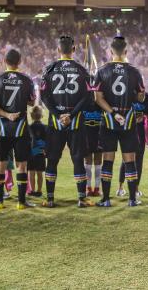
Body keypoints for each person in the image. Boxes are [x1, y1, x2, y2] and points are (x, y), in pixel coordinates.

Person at [40, 36, 94, 208]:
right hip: (76, 122)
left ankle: (49, 199)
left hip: (55, 123)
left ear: (58, 50)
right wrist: (71, 114)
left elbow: (44, 96)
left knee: (52, 160)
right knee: (78, 160)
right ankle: (81, 199)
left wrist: (58, 114)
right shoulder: (81, 69)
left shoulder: (49, 69)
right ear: (74, 49)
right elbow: (87, 97)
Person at [93, 35, 145, 207]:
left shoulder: (101, 71)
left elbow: (98, 99)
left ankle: (106, 199)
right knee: (130, 160)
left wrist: (113, 112)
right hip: (128, 120)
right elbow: (140, 96)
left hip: (108, 120)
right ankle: (131, 199)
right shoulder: (134, 71)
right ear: (126, 51)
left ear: (110, 51)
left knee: (108, 159)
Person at [0, 49, 36, 210]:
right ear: (19, 62)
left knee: (0, 165)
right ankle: (21, 202)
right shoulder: (27, 80)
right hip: (21, 129)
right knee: (22, 165)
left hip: (2, 129)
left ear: (4, 61)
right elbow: (32, 103)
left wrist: (6, 114)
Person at [117, 92, 148, 200]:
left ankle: (136, 189)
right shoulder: (128, 94)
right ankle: (120, 187)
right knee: (126, 159)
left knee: (138, 160)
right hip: (128, 130)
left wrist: (143, 115)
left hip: (141, 132)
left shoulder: (146, 97)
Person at [83, 100, 103, 196]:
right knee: (88, 163)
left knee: (98, 162)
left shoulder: (100, 103)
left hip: (99, 136)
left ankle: (97, 188)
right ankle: (88, 188)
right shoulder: (84, 103)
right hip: (86, 137)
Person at [28, 105, 46, 197]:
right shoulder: (45, 127)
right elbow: (48, 141)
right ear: (41, 115)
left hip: (31, 153)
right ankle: (39, 191)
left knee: (31, 172)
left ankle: (32, 190)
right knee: (39, 173)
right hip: (41, 153)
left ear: (31, 116)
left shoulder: (29, 127)